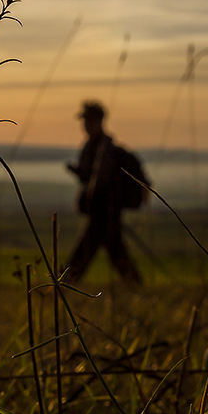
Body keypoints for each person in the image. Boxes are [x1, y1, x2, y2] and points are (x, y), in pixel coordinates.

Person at [64, 100, 142, 284]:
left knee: (86, 251)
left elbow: (103, 182)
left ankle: (65, 285)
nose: (85, 125)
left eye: (88, 120)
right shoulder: (91, 147)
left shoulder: (106, 150)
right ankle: (135, 285)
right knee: (114, 251)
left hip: (105, 212)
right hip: (102, 213)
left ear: (99, 121)